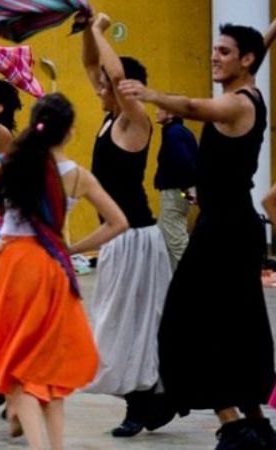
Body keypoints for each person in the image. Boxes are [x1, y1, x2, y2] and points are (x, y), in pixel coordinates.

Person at [120, 20, 276, 449]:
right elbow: (258, 47)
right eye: (215, 50)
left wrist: (151, 94)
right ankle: (255, 423)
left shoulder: (238, 105)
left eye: (224, 51)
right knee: (236, 324)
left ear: (245, 61)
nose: (214, 56)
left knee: (184, 324)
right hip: (232, 226)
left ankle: (231, 423)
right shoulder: (249, 88)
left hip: (225, 230)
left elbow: (193, 106)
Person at [0, 93, 127, 449]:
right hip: (52, 269)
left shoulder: (9, 163)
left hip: (13, 268)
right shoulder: (77, 175)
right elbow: (118, 222)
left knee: (20, 365)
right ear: (68, 133)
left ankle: (32, 436)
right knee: (47, 365)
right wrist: (74, 247)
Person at [80, 12, 174, 437]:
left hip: (136, 236)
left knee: (132, 323)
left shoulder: (134, 122)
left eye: (108, 83)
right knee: (117, 324)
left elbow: (115, 79)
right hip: (117, 240)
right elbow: (90, 66)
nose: (100, 87)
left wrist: (101, 30)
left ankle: (145, 404)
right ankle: (155, 400)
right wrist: (87, 30)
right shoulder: (106, 119)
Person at [153, 107, 198, 268]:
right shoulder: (181, 132)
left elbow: (183, 163)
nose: (156, 112)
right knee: (162, 241)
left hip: (176, 192)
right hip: (179, 192)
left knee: (176, 241)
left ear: (171, 114)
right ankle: (172, 286)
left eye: (161, 109)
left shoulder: (173, 134)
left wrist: (187, 187)